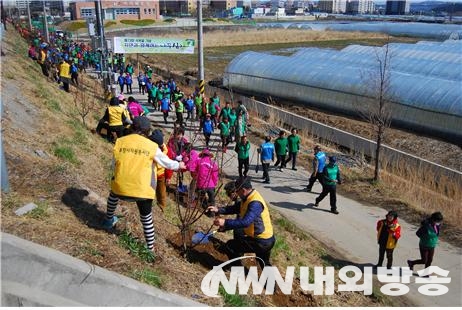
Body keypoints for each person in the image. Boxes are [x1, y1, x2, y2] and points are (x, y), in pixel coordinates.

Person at [102, 116, 186, 253]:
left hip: (120, 187)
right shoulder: (152, 146)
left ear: (132, 127)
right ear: (147, 131)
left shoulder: (120, 141)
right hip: (141, 190)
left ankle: (108, 220)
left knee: (112, 196)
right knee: (146, 217)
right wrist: (179, 165)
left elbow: (114, 163)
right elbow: (167, 162)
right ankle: (150, 247)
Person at [207, 177, 276, 269]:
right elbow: (235, 208)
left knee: (231, 246)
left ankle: (239, 272)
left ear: (243, 190)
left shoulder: (255, 203)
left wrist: (225, 222)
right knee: (264, 261)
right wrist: (218, 209)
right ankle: (270, 283)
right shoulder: (248, 197)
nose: (236, 194)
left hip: (261, 241)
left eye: (237, 191)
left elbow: (245, 222)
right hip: (266, 238)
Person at [149, 129, 169, 212]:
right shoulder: (151, 147)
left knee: (161, 193)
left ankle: (162, 206)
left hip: (160, 174)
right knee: (151, 190)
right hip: (151, 174)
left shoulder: (164, 149)